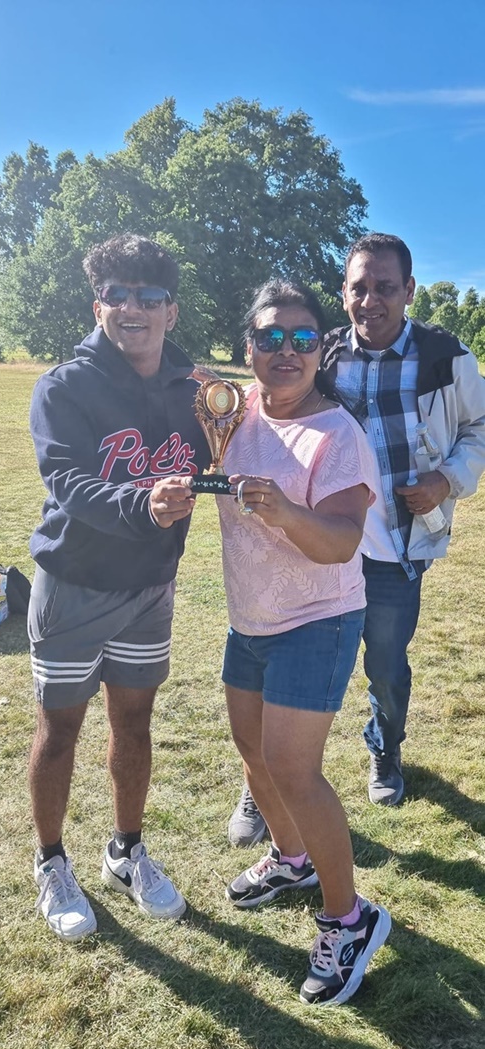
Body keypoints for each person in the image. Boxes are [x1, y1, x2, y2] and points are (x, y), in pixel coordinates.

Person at [228, 233, 485, 838]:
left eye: (385, 287)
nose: (371, 301)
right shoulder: (320, 350)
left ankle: (384, 749)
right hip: (313, 546)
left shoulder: (446, 356)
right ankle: (260, 783)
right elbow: (270, 402)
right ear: (343, 294)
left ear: (409, 290)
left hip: (392, 545)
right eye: (359, 288)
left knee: (387, 666)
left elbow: (480, 427)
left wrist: (447, 479)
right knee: (276, 665)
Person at [28, 233, 211, 941]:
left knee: (135, 724)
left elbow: (230, 451)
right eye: (118, 294)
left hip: (150, 588)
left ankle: (126, 850)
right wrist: (141, 505)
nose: (134, 307)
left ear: (171, 310)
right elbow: (66, 481)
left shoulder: (196, 392)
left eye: (150, 296)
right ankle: (51, 861)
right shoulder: (64, 386)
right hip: (75, 585)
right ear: (97, 303)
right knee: (60, 730)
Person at [217, 278, 391, 1006]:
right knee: (253, 751)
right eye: (269, 337)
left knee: (294, 769)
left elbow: (343, 541)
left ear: (322, 350)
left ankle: (349, 919)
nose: (284, 350)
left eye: (301, 338)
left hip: (318, 619)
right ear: (248, 347)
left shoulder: (337, 434)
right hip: (251, 617)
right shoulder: (232, 410)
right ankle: (292, 858)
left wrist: (287, 510)